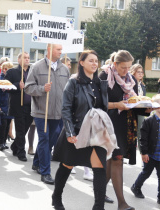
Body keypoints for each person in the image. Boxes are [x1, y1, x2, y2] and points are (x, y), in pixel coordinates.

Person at [52, 50, 112, 210]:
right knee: (67, 165)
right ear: (82, 62)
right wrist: (70, 132)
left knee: (100, 167)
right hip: (77, 131)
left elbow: (102, 109)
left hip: (96, 134)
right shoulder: (73, 83)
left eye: (96, 60)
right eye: (91, 60)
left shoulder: (100, 84)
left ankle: (98, 207)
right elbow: (65, 109)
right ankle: (56, 197)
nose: (94, 63)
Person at [99, 50, 151, 210]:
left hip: (123, 126)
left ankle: (99, 194)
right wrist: (116, 105)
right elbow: (96, 103)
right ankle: (122, 203)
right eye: (123, 67)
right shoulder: (104, 76)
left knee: (112, 162)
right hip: (106, 124)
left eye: (129, 67)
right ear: (115, 64)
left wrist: (146, 109)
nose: (126, 71)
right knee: (116, 161)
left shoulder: (130, 79)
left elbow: (132, 103)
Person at [25, 44, 69, 185]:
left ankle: (37, 163)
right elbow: (28, 88)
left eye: (61, 50)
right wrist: (42, 89)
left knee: (49, 141)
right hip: (40, 111)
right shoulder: (37, 66)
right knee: (44, 139)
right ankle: (46, 172)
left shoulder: (65, 69)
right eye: (58, 49)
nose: (61, 52)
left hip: (57, 113)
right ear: (49, 50)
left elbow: (68, 91)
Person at [130, 94, 160, 204]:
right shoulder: (148, 121)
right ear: (155, 106)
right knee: (146, 173)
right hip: (151, 154)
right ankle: (136, 187)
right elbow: (143, 139)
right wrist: (144, 153)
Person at [5, 52, 33, 161]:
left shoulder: (32, 71)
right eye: (25, 57)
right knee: (20, 129)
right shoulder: (12, 72)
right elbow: (6, 86)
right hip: (18, 105)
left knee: (25, 128)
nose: (27, 59)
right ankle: (21, 152)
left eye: (28, 57)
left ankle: (14, 145)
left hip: (31, 105)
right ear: (19, 59)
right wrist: (17, 85)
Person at [0, 61, 14, 151]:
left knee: (8, 124)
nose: (6, 70)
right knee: (3, 124)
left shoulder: (12, 79)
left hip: (10, 104)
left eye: (8, 69)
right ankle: (1, 142)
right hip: (3, 104)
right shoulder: (0, 79)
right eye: (4, 69)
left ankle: (4, 141)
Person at [130, 64, 146, 145]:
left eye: (142, 72)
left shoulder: (142, 85)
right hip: (132, 110)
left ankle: (142, 151)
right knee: (132, 132)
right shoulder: (130, 84)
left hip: (141, 110)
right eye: (138, 72)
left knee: (141, 131)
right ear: (133, 73)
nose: (140, 74)